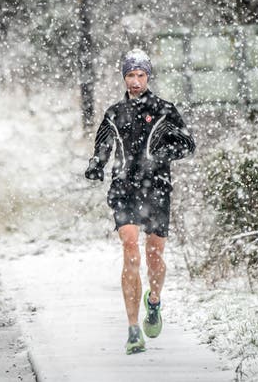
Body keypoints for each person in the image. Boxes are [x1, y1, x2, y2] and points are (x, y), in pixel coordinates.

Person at [85, 48, 196, 355]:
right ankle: (133, 329)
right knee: (130, 250)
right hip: (124, 189)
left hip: (157, 189)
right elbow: (102, 146)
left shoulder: (164, 109)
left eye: (140, 75)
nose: (135, 81)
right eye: (130, 75)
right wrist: (96, 165)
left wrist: (162, 152)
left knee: (154, 255)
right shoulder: (114, 113)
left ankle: (155, 301)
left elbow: (188, 143)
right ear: (124, 77)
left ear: (148, 76)